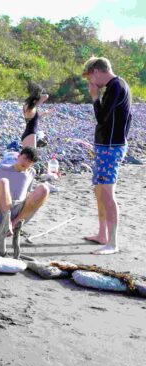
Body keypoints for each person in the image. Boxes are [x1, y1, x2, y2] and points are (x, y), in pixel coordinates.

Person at [81, 56, 133, 255]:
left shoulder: (116, 86)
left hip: (112, 147)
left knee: (108, 194)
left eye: (90, 78)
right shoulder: (115, 86)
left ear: (96, 71)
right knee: (99, 191)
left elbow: (102, 117)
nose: (90, 83)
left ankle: (112, 243)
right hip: (106, 146)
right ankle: (102, 234)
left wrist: (95, 96)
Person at [0, 147, 49, 256]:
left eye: (30, 161)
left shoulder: (31, 172)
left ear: (32, 164)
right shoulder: (2, 168)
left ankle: (13, 224)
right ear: (18, 156)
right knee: (3, 181)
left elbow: (27, 193)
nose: (25, 162)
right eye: (24, 158)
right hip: (0, 210)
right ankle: (7, 222)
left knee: (44, 188)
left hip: (18, 212)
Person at [21, 85, 49, 149]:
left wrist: (44, 113)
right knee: (31, 157)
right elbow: (46, 96)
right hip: (30, 134)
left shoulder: (28, 107)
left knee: (27, 156)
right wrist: (39, 91)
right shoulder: (30, 107)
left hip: (27, 134)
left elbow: (33, 119)